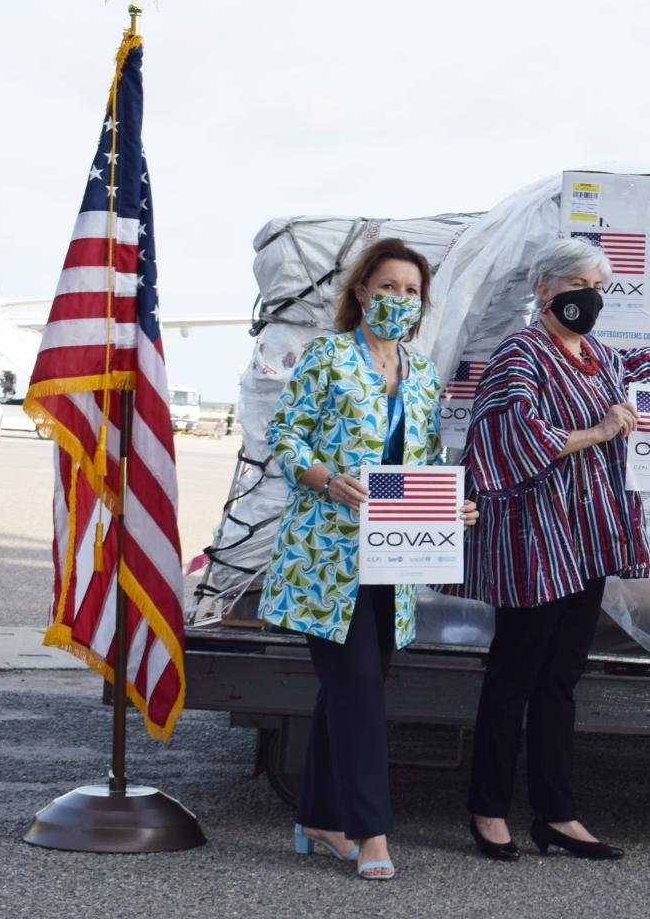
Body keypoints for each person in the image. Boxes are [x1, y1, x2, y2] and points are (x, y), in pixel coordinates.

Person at [457, 237, 650, 862]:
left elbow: (633, 364)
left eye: (599, 286)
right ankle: (488, 809)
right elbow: (506, 434)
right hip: (534, 540)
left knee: (560, 679)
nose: (591, 296)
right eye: (579, 283)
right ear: (545, 289)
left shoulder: (596, 354)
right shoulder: (519, 354)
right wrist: (598, 430)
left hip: (587, 538)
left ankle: (557, 814)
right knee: (513, 675)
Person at [258, 238, 478, 881]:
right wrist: (323, 476)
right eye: (386, 288)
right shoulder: (328, 356)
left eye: (410, 292)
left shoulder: (421, 373)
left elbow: (428, 461)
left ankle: (320, 818)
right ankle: (370, 831)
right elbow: (285, 435)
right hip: (327, 558)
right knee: (357, 691)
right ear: (360, 292)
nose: (398, 301)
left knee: (350, 689)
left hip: (393, 556)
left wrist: (450, 506)